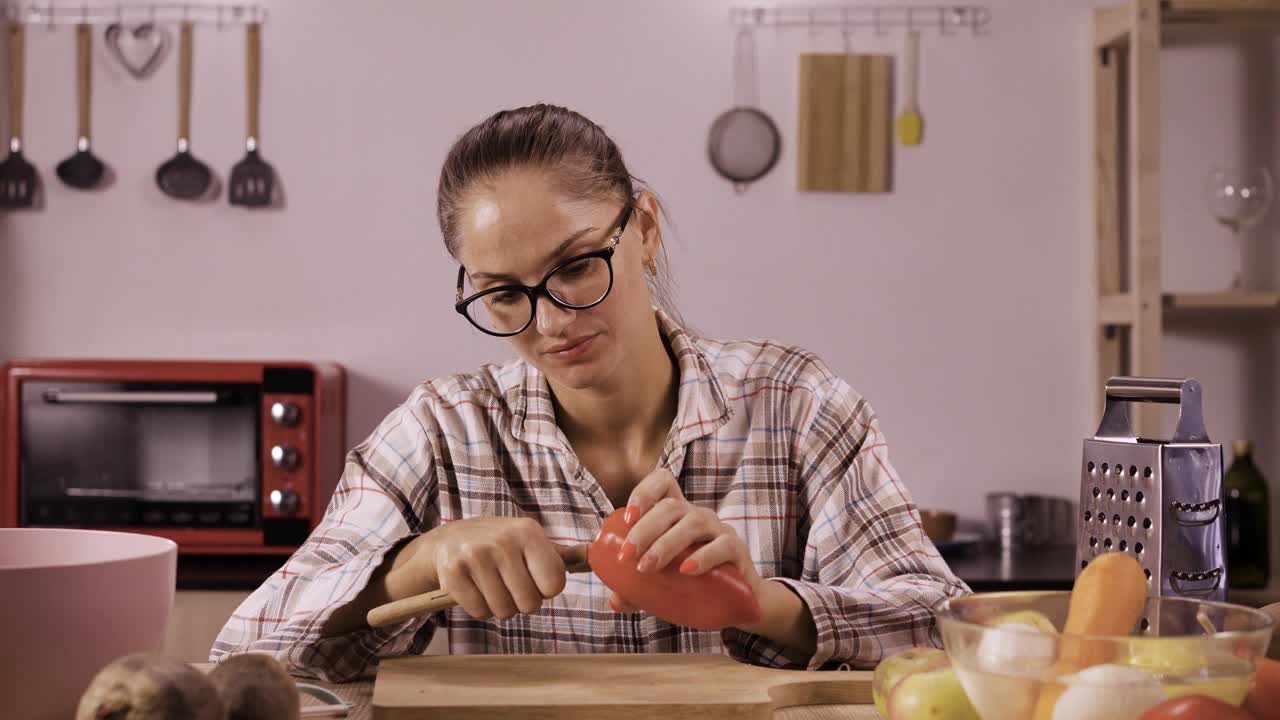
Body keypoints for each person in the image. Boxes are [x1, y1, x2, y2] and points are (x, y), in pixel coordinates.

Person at [211, 104, 969, 683]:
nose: (550, 323)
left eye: (576, 267)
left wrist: (761, 604)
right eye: (504, 294)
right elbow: (240, 664)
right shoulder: (443, 430)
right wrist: (416, 563)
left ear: (642, 228)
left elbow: (951, 637)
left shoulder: (798, 406)